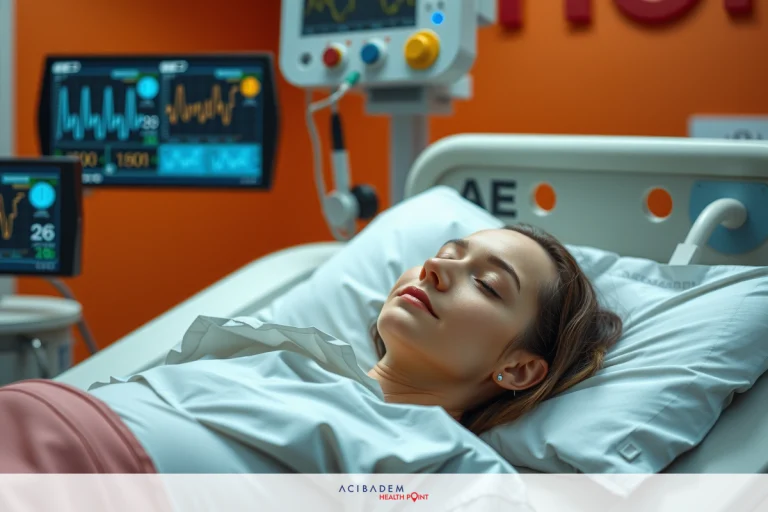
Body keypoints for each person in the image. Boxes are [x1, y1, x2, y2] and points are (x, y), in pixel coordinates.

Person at [0, 224, 622, 474]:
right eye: (446, 254)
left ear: (517, 367)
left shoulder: (450, 467)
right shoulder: (284, 356)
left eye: (486, 284)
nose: (434, 269)